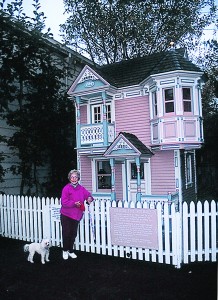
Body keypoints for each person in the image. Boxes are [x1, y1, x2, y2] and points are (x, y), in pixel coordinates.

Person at [60, 169, 93, 260]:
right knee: (66, 233)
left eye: (75, 177)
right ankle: (65, 250)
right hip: (66, 215)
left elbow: (88, 195)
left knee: (73, 234)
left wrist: (89, 198)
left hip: (76, 215)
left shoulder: (81, 188)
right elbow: (64, 202)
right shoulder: (66, 188)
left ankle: (70, 251)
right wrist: (74, 203)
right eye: (72, 177)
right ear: (69, 178)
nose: (74, 179)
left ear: (78, 178)